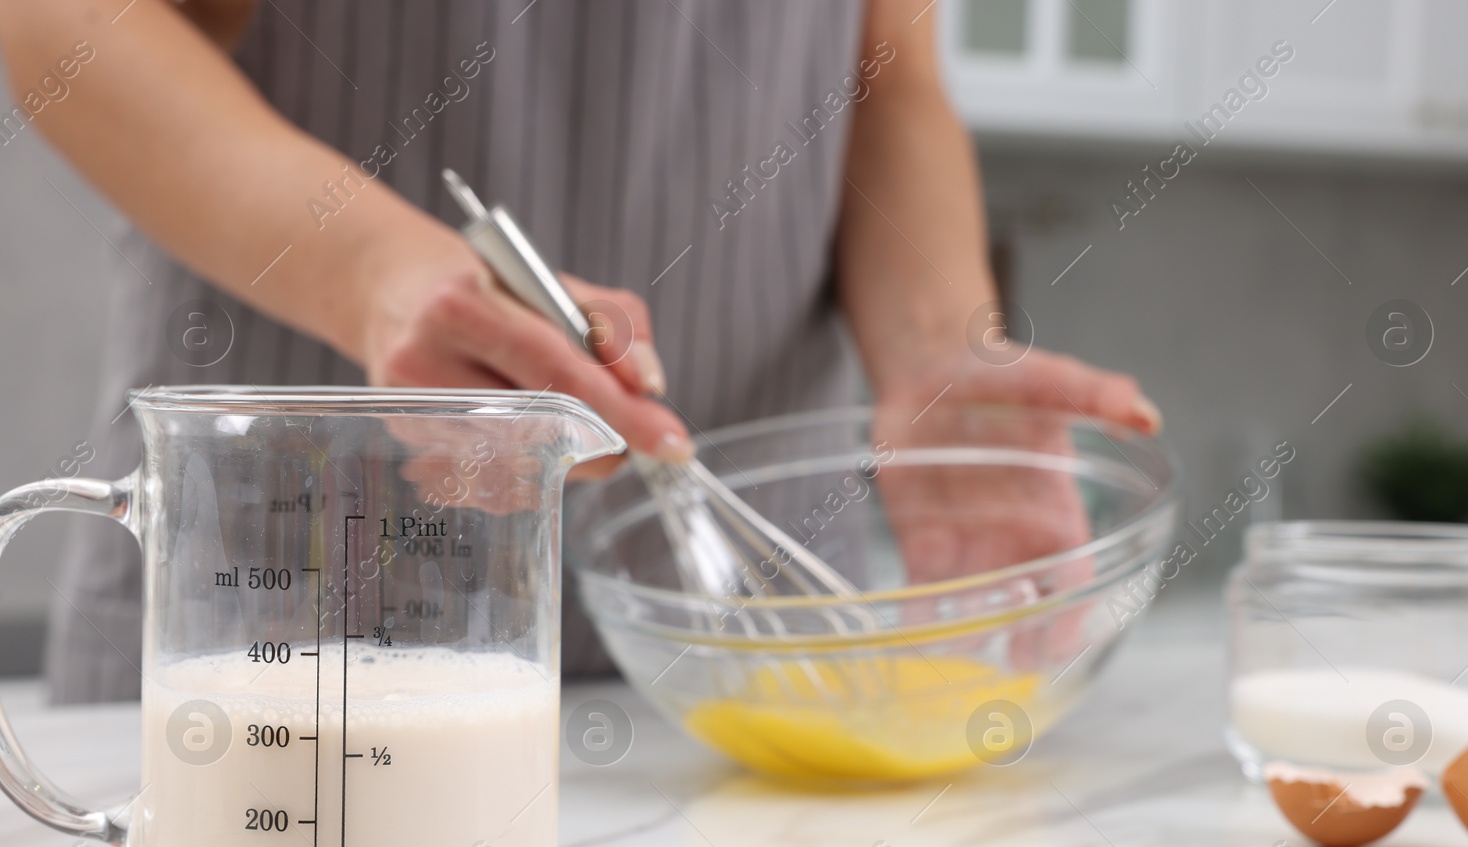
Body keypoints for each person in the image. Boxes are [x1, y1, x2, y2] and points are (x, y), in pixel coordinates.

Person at [0, 0, 1161, 703]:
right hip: (284, 641)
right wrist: (375, 273)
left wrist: (936, 344)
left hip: (745, 648)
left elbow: (888, 79)